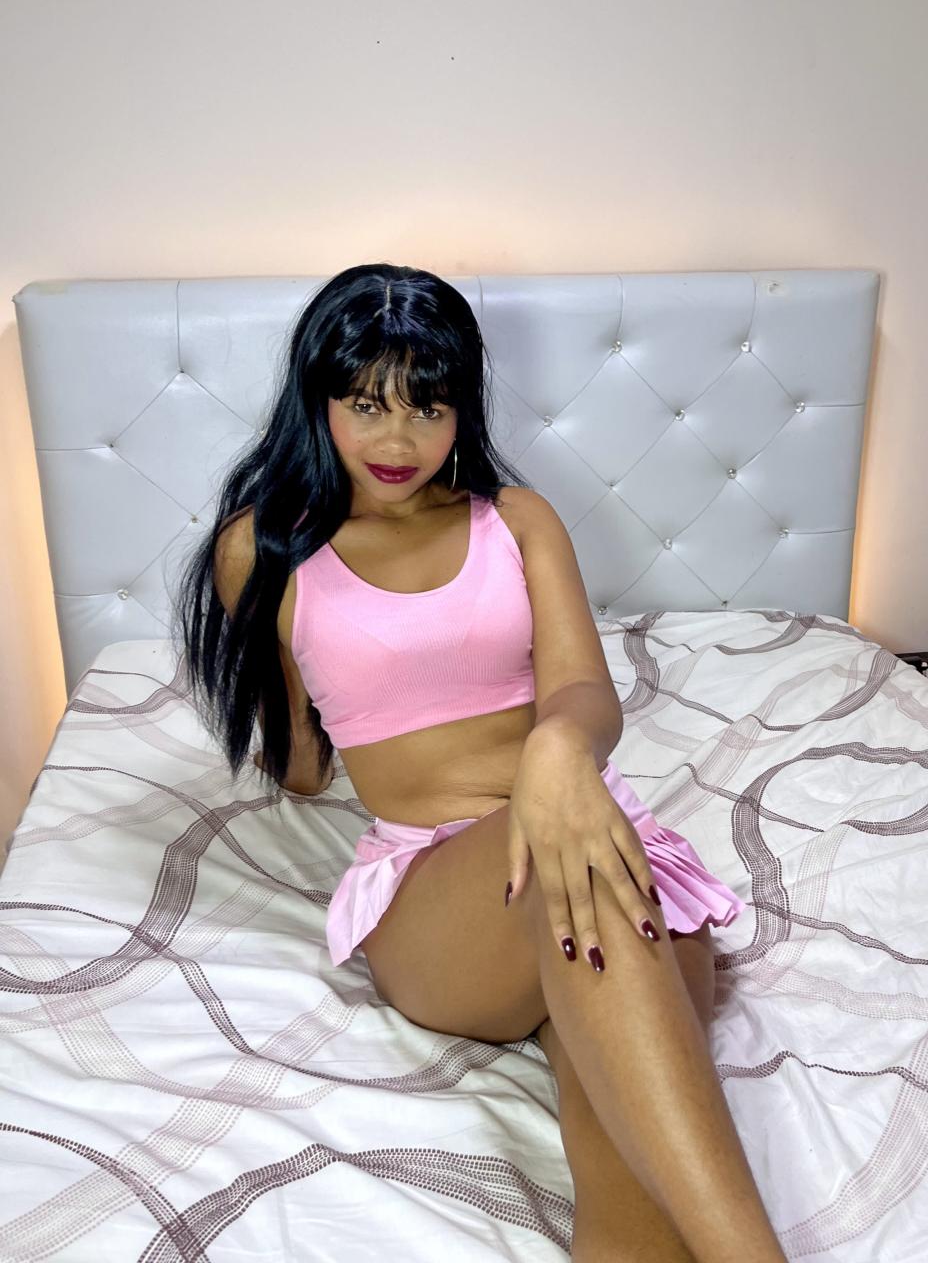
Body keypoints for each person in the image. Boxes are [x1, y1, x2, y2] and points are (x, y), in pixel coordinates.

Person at [173, 263, 785, 1262]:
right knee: (571, 869)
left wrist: (555, 746)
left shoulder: (518, 522)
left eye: (428, 404)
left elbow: (586, 694)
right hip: (443, 895)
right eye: (365, 404)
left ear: (463, 406)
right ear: (316, 401)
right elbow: (302, 766)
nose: (398, 439)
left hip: (605, 836)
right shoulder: (267, 550)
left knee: (632, 1145)